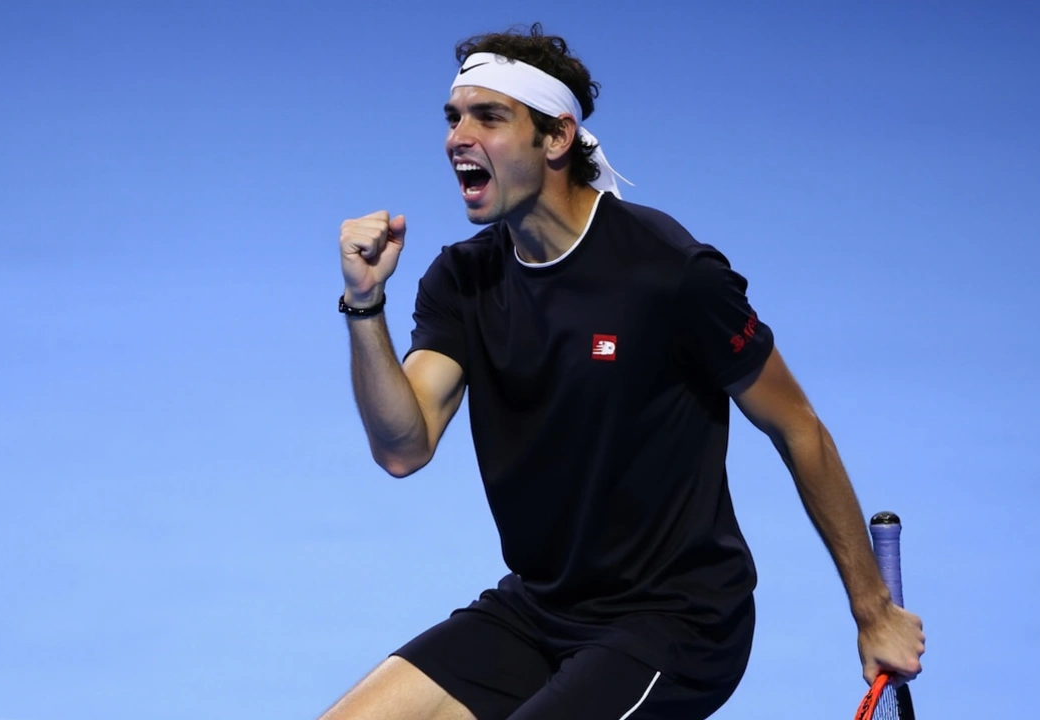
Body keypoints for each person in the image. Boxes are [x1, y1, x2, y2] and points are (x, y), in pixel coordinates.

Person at [327, 23, 924, 720]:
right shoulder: (464, 280)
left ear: (555, 139)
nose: (459, 135)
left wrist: (871, 609)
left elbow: (798, 428)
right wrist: (365, 306)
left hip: (677, 622)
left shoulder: (667, 274)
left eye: (489, 117)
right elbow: (403, 447)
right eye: (454, 116)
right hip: (540, 607)